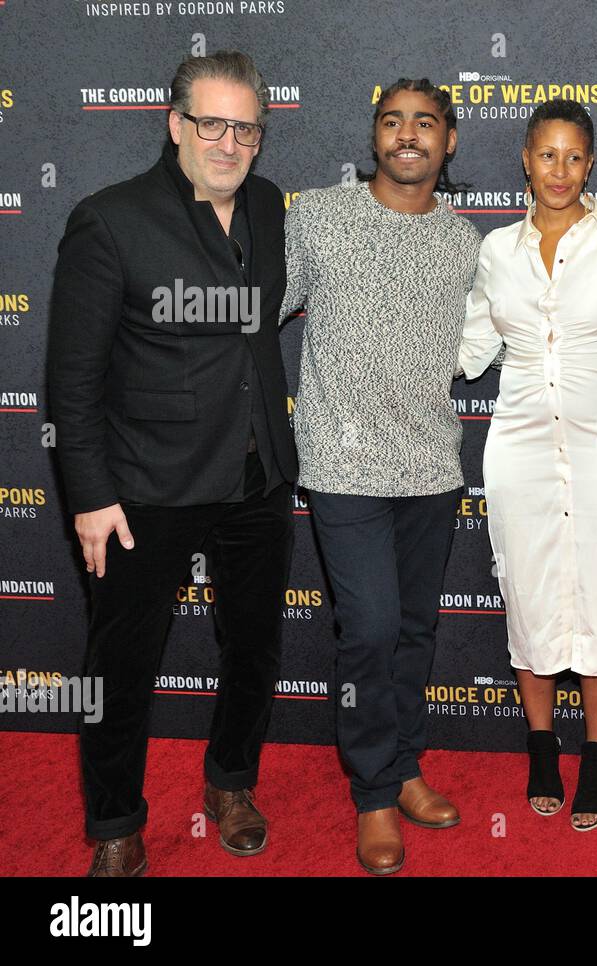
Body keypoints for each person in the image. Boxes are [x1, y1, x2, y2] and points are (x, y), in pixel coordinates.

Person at [47, 50, 298, 876]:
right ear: (175, 124)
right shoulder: (110, 219)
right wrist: (90, 494)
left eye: (246, 129)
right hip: (144, 486)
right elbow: (72, 379)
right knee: (122, 665)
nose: (229, 144)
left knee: (254, 646)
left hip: (257, 474)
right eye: (211, 123)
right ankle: (116, 823)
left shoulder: (268, 205)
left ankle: (231, 783)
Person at [459, 99, 597, 832]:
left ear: (591, 164)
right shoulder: (496, 250)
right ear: (525, 159)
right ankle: (541, 746)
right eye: (547, 155)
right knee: (529, 592)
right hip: (518, 445)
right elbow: (468, 347)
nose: (560, 170)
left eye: (574, 156)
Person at [279, 79, 479, 875]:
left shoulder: (463, 239)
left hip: (430, 464)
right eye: (392, 121)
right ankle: (373, 795)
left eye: (425, 123)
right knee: (368, 629)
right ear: (374, 136)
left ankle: (405, 765)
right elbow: (261, 314)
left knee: (414, 630)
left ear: (448, 141)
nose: (407, 135)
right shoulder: (318, 216)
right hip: (342, 460)